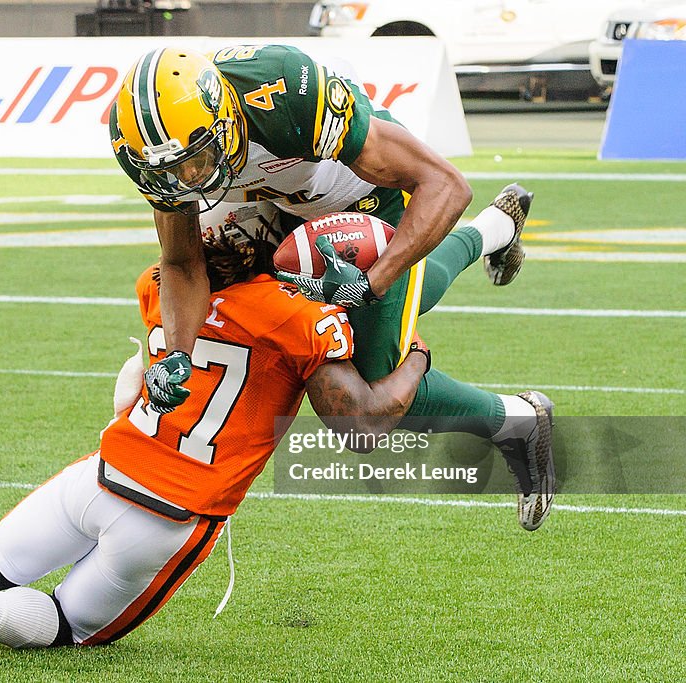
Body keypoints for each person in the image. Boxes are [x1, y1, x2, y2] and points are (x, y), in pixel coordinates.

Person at [0, 245, 432, 660]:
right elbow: (361, 423)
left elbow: (146, 367)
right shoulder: (301, 319)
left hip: (106, 469)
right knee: (65, 624)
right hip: (173, 514)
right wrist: (412, 357)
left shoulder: (159, 283)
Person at [110, 44, 553, 530]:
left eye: (194, 162)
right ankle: (496, 229)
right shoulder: (163, 151)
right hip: (273, 208)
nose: (187, 179)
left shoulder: (283, 94)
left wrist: (371, 283)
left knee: (365, 403)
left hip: (366, 199)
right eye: (169, 172)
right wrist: (178, 352)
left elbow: (446, 185)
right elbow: (180, 261)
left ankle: (517, 420)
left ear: (222, 117)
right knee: (390, 303)